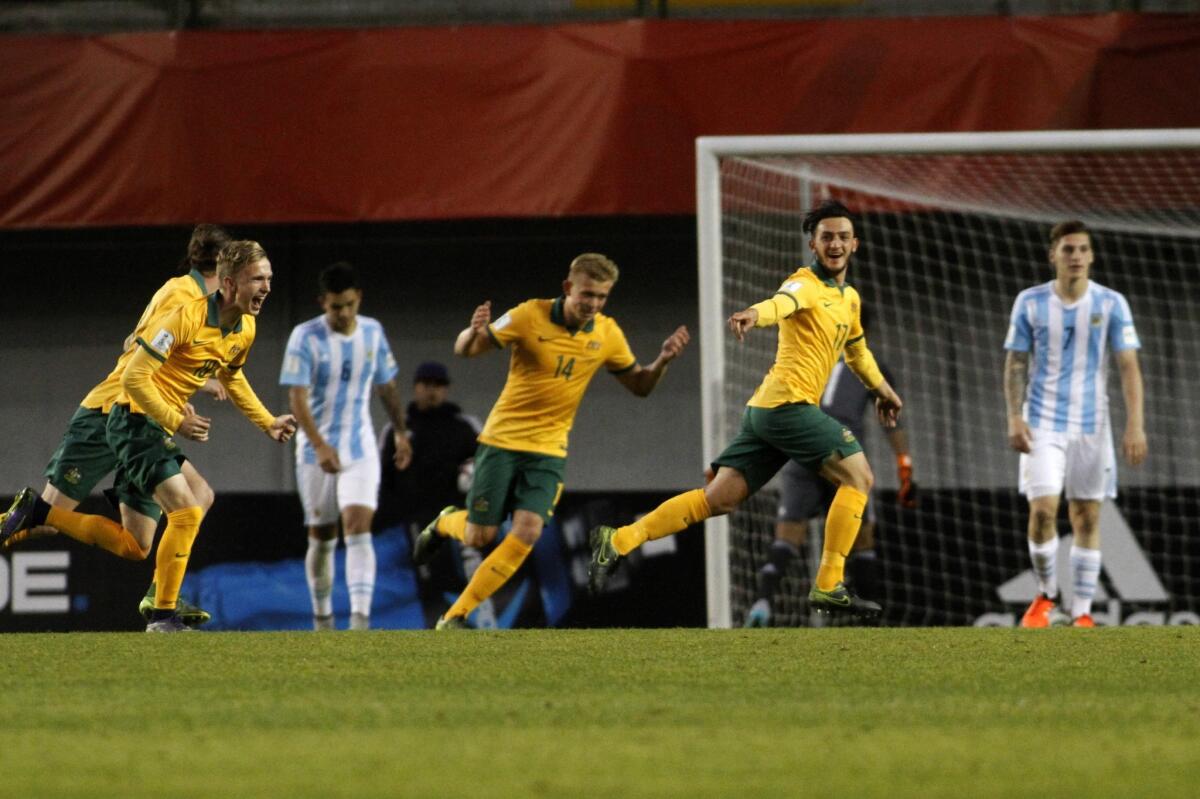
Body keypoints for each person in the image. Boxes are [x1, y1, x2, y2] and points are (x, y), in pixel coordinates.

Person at [588, 200, 902, 618]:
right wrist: (755, 313)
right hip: (789, 406)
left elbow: (858, 352)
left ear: (855, 244)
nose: (835, 243)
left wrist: (882, 390)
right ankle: (828, 584)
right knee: (859, 477)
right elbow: (780, 304)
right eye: (827, 236)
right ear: (813, 242)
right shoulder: (805, 283)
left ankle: (619, 540)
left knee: (718, 500)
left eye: (843, 236)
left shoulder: (849, 299)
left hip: (765, 411)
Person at [3, 240, 298, 632]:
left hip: (153, 424)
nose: (266, 287)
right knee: (188, 509)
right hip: (130, 417)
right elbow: (133, 375)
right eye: (257, 279)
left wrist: (267, 421)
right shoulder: (184, 312)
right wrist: (175, 420)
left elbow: (232, 376)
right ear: (227, 282)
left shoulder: (245, 327)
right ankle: (163, 615)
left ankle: (39, 512)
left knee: (136, 544)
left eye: (269, 278)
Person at [410, 252, 690, 629]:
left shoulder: (607, 334)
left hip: (549, 451)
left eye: (602, 297)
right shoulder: (529, 315)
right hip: (502, 442)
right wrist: (472, 331)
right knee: (479, 537)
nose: (593, 304)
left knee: (526, 533)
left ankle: (456, 616)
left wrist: (662, 362)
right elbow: (466, 349)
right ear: (567, 288)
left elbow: (639, 385)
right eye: (586, 294)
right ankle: (445, 524)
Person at [1003, 220, 1146, 629]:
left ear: (1092, 255)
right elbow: (1015, 362)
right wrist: (1014, 415)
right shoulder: (1030, 302)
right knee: (1044, 510)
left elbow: (1129, 367)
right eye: (1068, 249)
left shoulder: (1111, 303)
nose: (1077, 256)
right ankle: (1046, 595)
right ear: (1054, 255)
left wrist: (1135, 425)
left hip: (1091, 427)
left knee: (1086, 517)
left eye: (1083, 249)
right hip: (1042, 422)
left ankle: (1081, 612)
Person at [744, 307, 915, 627]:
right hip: (842, 453)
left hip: (802, 451)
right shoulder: (869, 365)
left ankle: (762, 602)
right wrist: (905, 467)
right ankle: (871, 622)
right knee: (863, 540)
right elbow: (892, 423)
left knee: (787, 536)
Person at [280, 262, 411, 631]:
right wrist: (320, 445)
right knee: (322, 537)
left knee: (358, 525)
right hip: (314, 451)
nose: (344, 313)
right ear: (323, 302)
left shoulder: (373, 332)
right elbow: (297, 398)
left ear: (359, 300)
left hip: (360, 447)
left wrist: (401, 432)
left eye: (350, 305)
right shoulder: (304, 337)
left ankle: (359, 622)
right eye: (336, 306)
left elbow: (387, 385)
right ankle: (322, 617)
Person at [377, 360, 479, 540]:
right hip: (405, 520)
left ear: (446, 389)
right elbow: (383, 476)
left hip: (453, 518)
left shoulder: (464, 427)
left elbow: (485, 465)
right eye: (426, 384)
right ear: (416, 387)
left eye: (438, 385)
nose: (432, 390)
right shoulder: (398, 429)